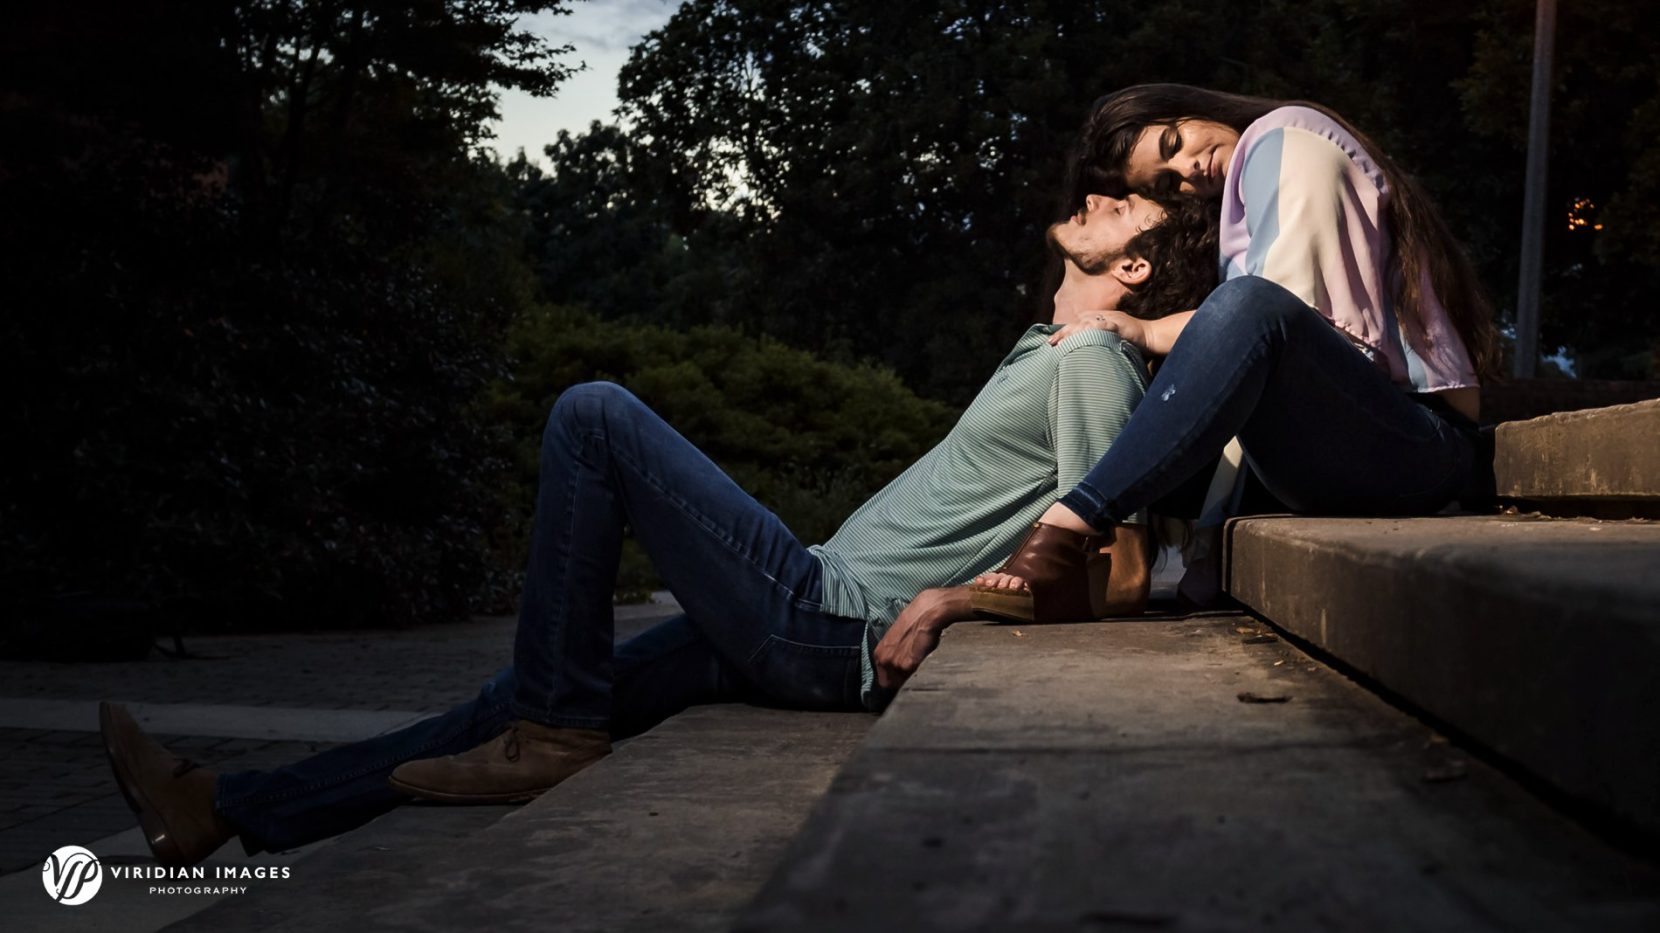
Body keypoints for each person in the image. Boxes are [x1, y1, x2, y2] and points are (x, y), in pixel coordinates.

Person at [98, 192, 1221, 867]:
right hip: (815, 601)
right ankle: (221, 812)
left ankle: (551, 733)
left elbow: (1108, 570)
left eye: (1123, 209)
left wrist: (955, 600)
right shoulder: (1052, 346)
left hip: (831, 629)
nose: (1094, 197)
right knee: (504, 708)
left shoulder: (1092, 362)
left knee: (594, 416)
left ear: (1128, 268)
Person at [971, 83, 1497, 619]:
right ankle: (963, 567)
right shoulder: (1244, 204)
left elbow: (1285, 310)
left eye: (1175, 142)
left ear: (1195, 109)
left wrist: (1150, 330)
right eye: (1168, 181)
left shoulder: (1285, 136)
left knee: (1245, 305)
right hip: (1357, 452)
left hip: (1421, 447)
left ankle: (1069, 529)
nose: (1189, 171)